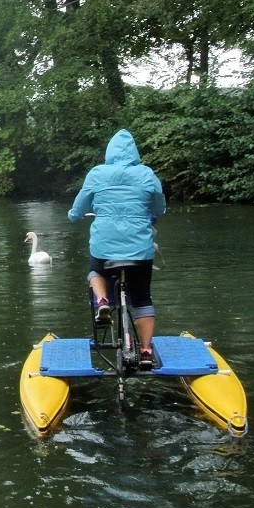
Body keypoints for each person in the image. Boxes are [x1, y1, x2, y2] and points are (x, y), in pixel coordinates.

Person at [68, 129, 167, 368]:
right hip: (140, 251)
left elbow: (79, 207)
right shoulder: (146, 174)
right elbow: (159, 207)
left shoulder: (97, 174)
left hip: (105, 247)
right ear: (134, 152)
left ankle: (102, 301)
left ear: (109, 152)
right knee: (142, 298)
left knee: (95, 270)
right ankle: (145, 351)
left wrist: (74, 215)